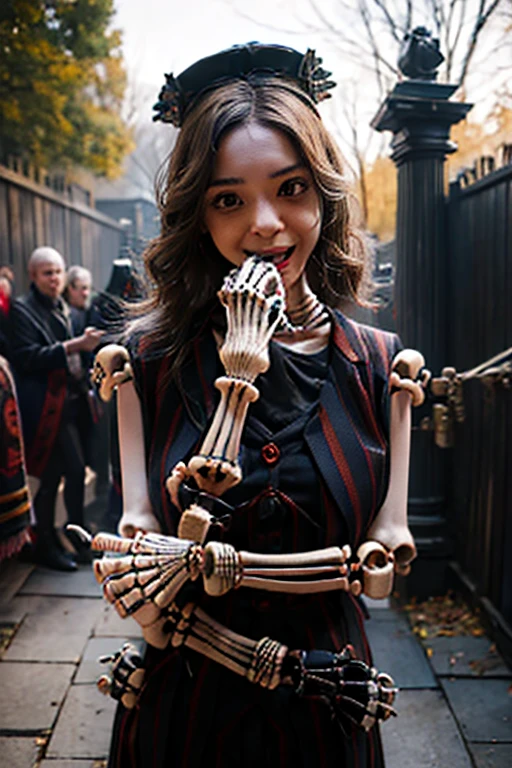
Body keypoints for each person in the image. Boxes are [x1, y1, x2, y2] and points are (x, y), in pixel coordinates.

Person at [96, 43, 427, 768]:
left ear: (323, 195)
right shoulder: (146, 365)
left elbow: (380, 572)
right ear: (197, 214)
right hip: (182, 718)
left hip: (329, 711)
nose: (266, 224)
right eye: (229, 199)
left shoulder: (377, 366)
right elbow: (132, 556)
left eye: (292, 188)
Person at [9, 247, 104, 570]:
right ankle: (44, 543)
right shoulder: (23, 309)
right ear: (33, 276)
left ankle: (73, 535)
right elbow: (27, 358)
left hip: (70, 401)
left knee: (75, 472)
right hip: (43, 405)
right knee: (49, 478)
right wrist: (76, 345)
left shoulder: (64, 305)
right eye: (47, 272)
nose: (54, 278)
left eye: (59, 272)